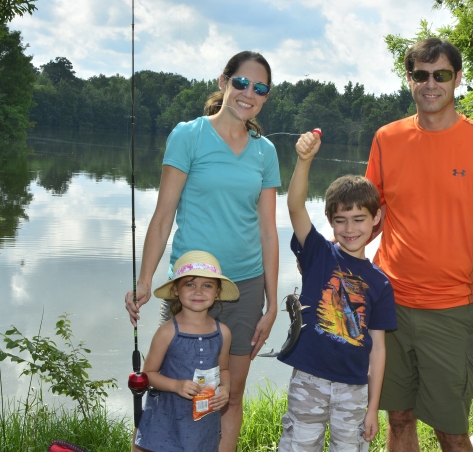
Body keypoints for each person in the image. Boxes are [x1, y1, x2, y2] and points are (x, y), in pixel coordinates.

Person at [124, 50, 280, 451]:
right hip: (191, 283)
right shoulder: (188, 135)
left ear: (266, 96)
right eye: (241, 82)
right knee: (169, 389)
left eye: (259, 88)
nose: (249, 93)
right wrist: (145, 280)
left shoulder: (266, 152)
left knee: (229, 395)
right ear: (223, 81)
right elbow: (162, 217)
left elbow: (268, 231)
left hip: (244, 287)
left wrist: (272, 302)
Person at [365, 38, 473, 452]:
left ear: (457, 79)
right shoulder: (386, 139)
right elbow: (366, 220)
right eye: (421, 75)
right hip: (388, 302)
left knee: (452, 432)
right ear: (409, 80)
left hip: (449, 311)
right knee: (398, 419)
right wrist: (330, 262)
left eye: (441, 75)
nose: (431, 84)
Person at [277, 131, 397, 451]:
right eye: (341, 220)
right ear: (330, 221)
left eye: (359, 219)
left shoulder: (381, 283)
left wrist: (373, 407)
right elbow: (295, 206)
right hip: (308, 382)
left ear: (376, 219)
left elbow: (379, 349)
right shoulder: (318, 253)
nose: (350, 229)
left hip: (355, 391)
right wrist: (304, 161)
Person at [133, 251, 235, 452]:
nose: (198, 291)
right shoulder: (167, 331)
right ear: (176, 290)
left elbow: (224, 370)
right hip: (167, 417)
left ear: (217, 292)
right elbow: (148, 375)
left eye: (207, 285)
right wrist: (176, 385)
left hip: (204, 421)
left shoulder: (223, 332)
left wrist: (225, 389)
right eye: (190, 284)